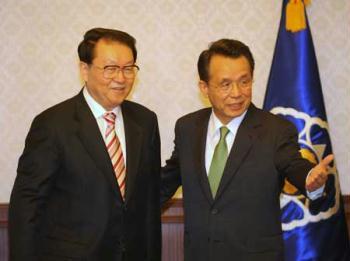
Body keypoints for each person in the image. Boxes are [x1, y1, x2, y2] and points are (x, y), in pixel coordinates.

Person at [160, 39, 333, 261]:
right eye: (225, 84)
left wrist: (311, 179)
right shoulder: (187, 128)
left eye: (245, 81)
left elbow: (294, 164)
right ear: (204, 87)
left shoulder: (275, 130)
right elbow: (167, 180)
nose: (237, 93)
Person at [9, 28, 161, 261]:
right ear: (85, 69)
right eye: (110, 68)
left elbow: (149, 201)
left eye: (128, 68)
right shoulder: (52, 124)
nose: (121, 78)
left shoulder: (145, 121)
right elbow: (27, 204)